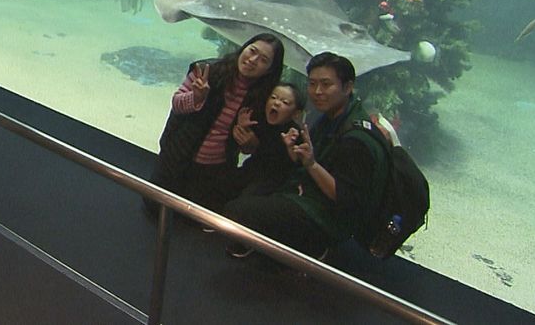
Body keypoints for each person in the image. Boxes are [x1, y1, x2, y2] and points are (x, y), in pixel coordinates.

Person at [221, 52, 385, 259]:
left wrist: (311, 164)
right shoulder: (332, 118)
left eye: (326, 84)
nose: (317, 91)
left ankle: (313, 247)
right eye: (312, 83)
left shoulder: (356, 140)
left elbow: (346, 198)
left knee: (238, 211)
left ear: (347, 87)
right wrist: (294, 153)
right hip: (310, 196)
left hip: (329, 217)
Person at [146, 32, 285, 219]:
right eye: (252, 51)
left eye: (263, 60)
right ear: (243, 48)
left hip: (216, 170)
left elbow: (250, 148)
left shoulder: (263, 98)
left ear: (269, 70)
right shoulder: (206, 70)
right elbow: (177, 105)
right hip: (178, 156)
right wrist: (196, 97)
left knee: (197, 220)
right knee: (154, 208)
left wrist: (248, 142)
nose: (252, 60)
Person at [232, 82, 306, 198]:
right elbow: (246, 150)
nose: (276, 103)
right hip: (251, 171)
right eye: (273, 97)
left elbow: (297, 167)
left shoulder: (295, 134)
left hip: (275, 184)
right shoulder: (258, 119)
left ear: (296, 114)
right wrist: (243, 128)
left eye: (285, 102)